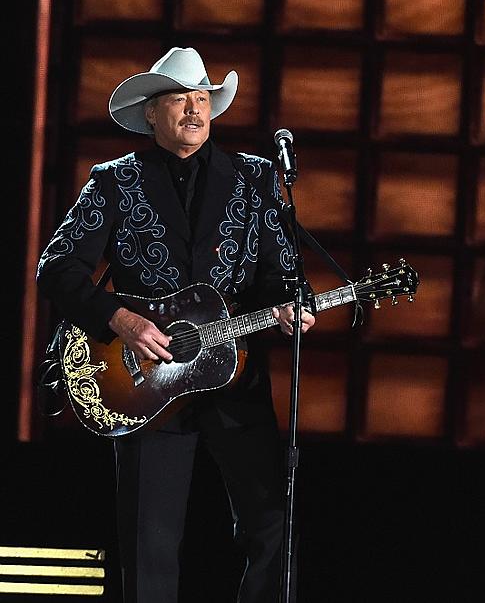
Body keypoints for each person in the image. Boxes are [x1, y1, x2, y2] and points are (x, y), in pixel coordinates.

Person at [36, 47, 315, 603]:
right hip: (143, 380)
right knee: (149, 543)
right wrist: (120, 320)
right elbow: (56, 267)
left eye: (202, 97)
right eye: (179, 98)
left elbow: (282, 277)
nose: (194, 108)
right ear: (149, 114)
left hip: (233, 381)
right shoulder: (115, 182)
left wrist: (291, 308)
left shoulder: (256, 180)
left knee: (271, 525)